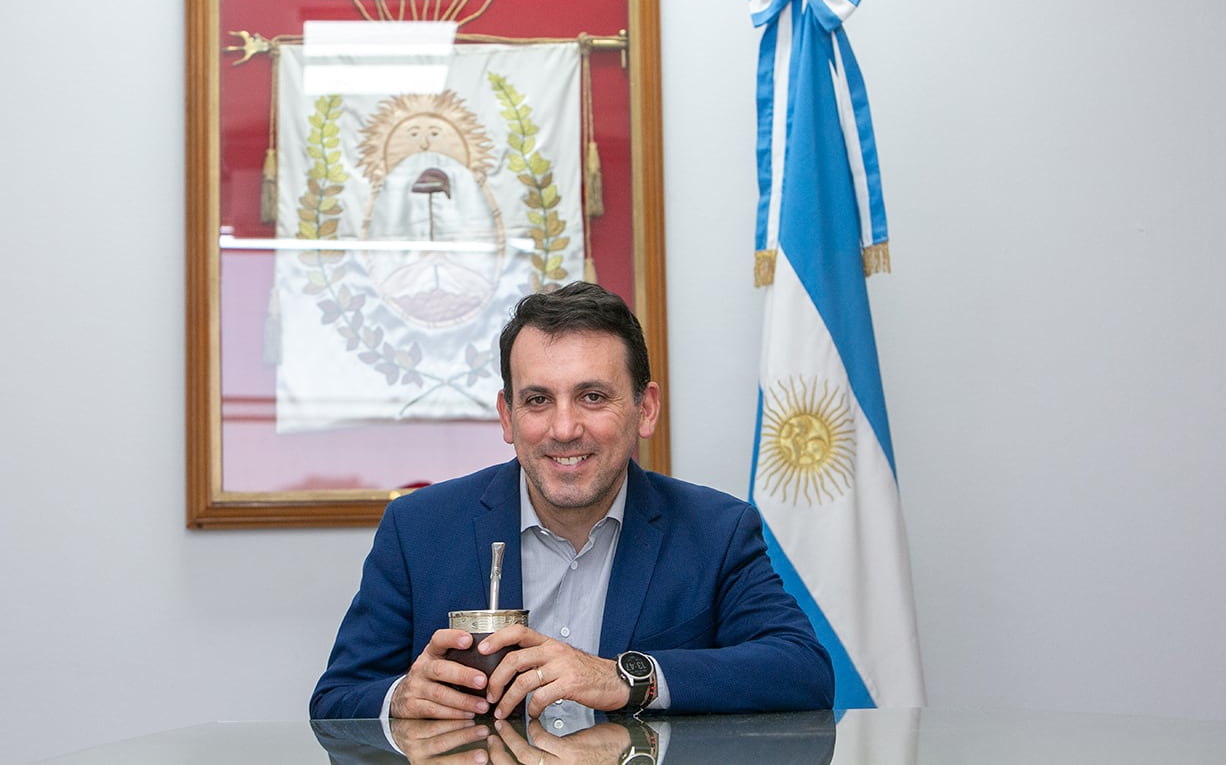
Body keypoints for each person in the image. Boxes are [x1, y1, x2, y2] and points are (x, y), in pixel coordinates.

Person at [310, 282, 834, 723]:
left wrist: (626, 677)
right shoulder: (418, 528)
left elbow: (801, 670)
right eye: (538, 400)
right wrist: (402, 697)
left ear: (645, 409)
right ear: (508, 417)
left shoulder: (716, 530)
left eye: (592, 397)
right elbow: (335, 701)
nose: (564, 429)